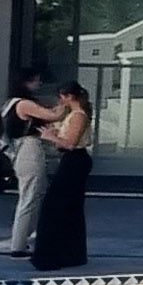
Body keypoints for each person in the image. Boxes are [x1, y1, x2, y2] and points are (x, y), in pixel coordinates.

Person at [26, 83, 94, 274]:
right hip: (72, 160)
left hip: (74, 161)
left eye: (62, 97)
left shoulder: (78, 116)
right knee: (68, 207)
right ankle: (69, 253)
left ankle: (52, 254)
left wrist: (50, 137)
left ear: (70, 97)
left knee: (55, 207)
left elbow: (71, 144)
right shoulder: (73, 116)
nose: (60, 101)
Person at [0, 68, 53, 259]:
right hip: (28, 149)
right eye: (35, 81)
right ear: (26, 83)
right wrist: (66, 105)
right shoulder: (24, 104)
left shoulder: (12, 103)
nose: (38, 84)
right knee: (29, 196)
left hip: (21, 150)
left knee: (33, 194)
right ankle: (19, 243)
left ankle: (22, 239)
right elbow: (51, 116)